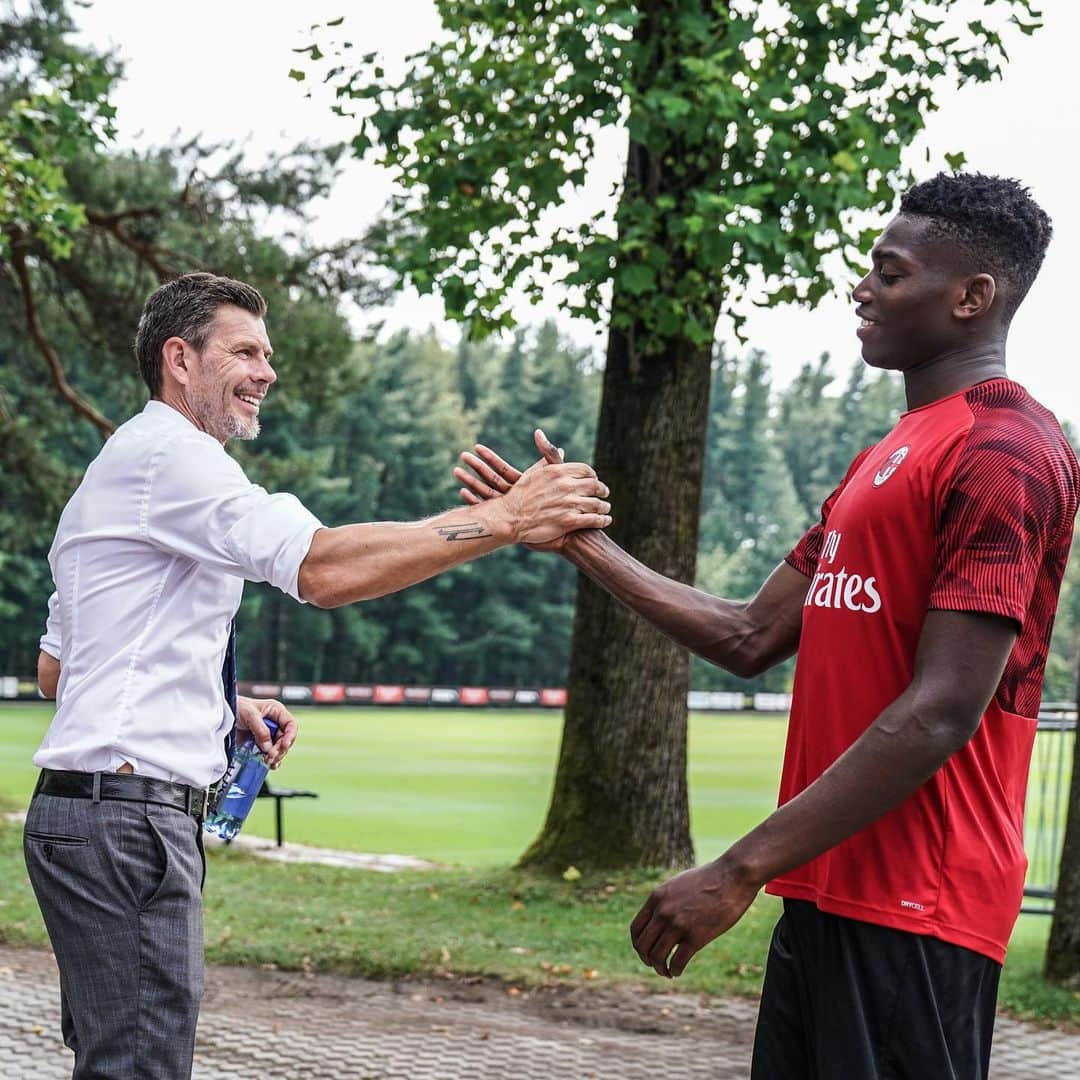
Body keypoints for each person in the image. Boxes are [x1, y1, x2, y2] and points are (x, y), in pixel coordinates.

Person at [455, 172, 1079, 1077]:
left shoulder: (1006, 452)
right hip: (826, 889)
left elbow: (940, 711)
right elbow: (748, 636)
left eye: (890, 274)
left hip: (920, 907)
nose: (861, 290)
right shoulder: (882, 459)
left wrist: (736, 868)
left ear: (972, 296)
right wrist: (580, 544)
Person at [28, 271, 612, 1080]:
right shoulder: (173, 456)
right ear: (179, 359)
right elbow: (323, 569)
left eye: (268, 354)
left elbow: (59, 669)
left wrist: (219, 704)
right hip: (128, 825)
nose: (267, 370)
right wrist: (506, 520)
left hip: (88, 819)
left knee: (120, 1060)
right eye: (244, 351)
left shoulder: (118, 467)